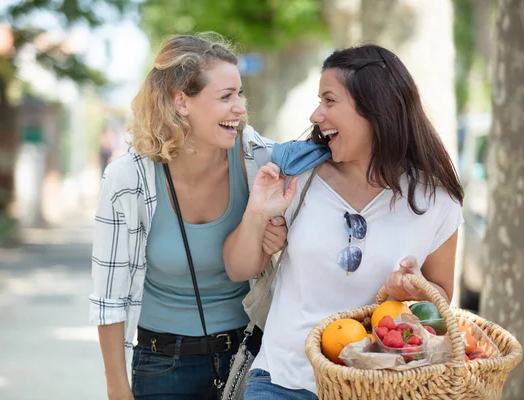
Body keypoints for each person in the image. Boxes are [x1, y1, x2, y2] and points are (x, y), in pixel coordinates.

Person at [223, 44, 464, 399]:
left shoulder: (436, 201)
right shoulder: (297, 178)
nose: (316, 115)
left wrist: (410, 292)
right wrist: (257, 212)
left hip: (378, 389)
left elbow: (440, 303)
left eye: (329, 100)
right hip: (282, 381)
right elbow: (238, 267)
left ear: (375, 109)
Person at [89, 33, 294, 400]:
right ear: (182, 102)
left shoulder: (257, 162)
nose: (240, 108)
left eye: (240, 94)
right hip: (161, 364)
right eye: (226, 96)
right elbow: (109, 298)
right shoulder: (128, 180)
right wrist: (117, 389)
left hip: (249, 353)